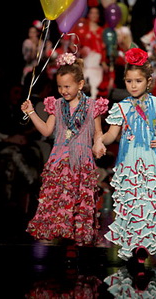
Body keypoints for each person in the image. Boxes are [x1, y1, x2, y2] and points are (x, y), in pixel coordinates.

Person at [92, 47, 156, 262]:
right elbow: (113, 134)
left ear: (148, 82)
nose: (133, 85)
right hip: (129, 161)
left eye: (138, 81)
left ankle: (148, 243)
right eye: (129, 81)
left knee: (151, 202)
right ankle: (136, 244)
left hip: (153, 160)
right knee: (132, 203)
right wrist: (99, 139)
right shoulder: (121, 107)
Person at [20, 52, 109, 248]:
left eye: (67, 86)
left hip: (81, 162)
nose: (63, 91)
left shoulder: (92, 106)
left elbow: (98, 132)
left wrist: (98, 143)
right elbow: (46, 130)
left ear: (80, 84)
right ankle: (60, 244)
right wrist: (31, 112)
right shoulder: (56, 105)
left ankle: (76, 248)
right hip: (60, 162)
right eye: (60, 87)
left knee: (79, 203)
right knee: (59, 202)